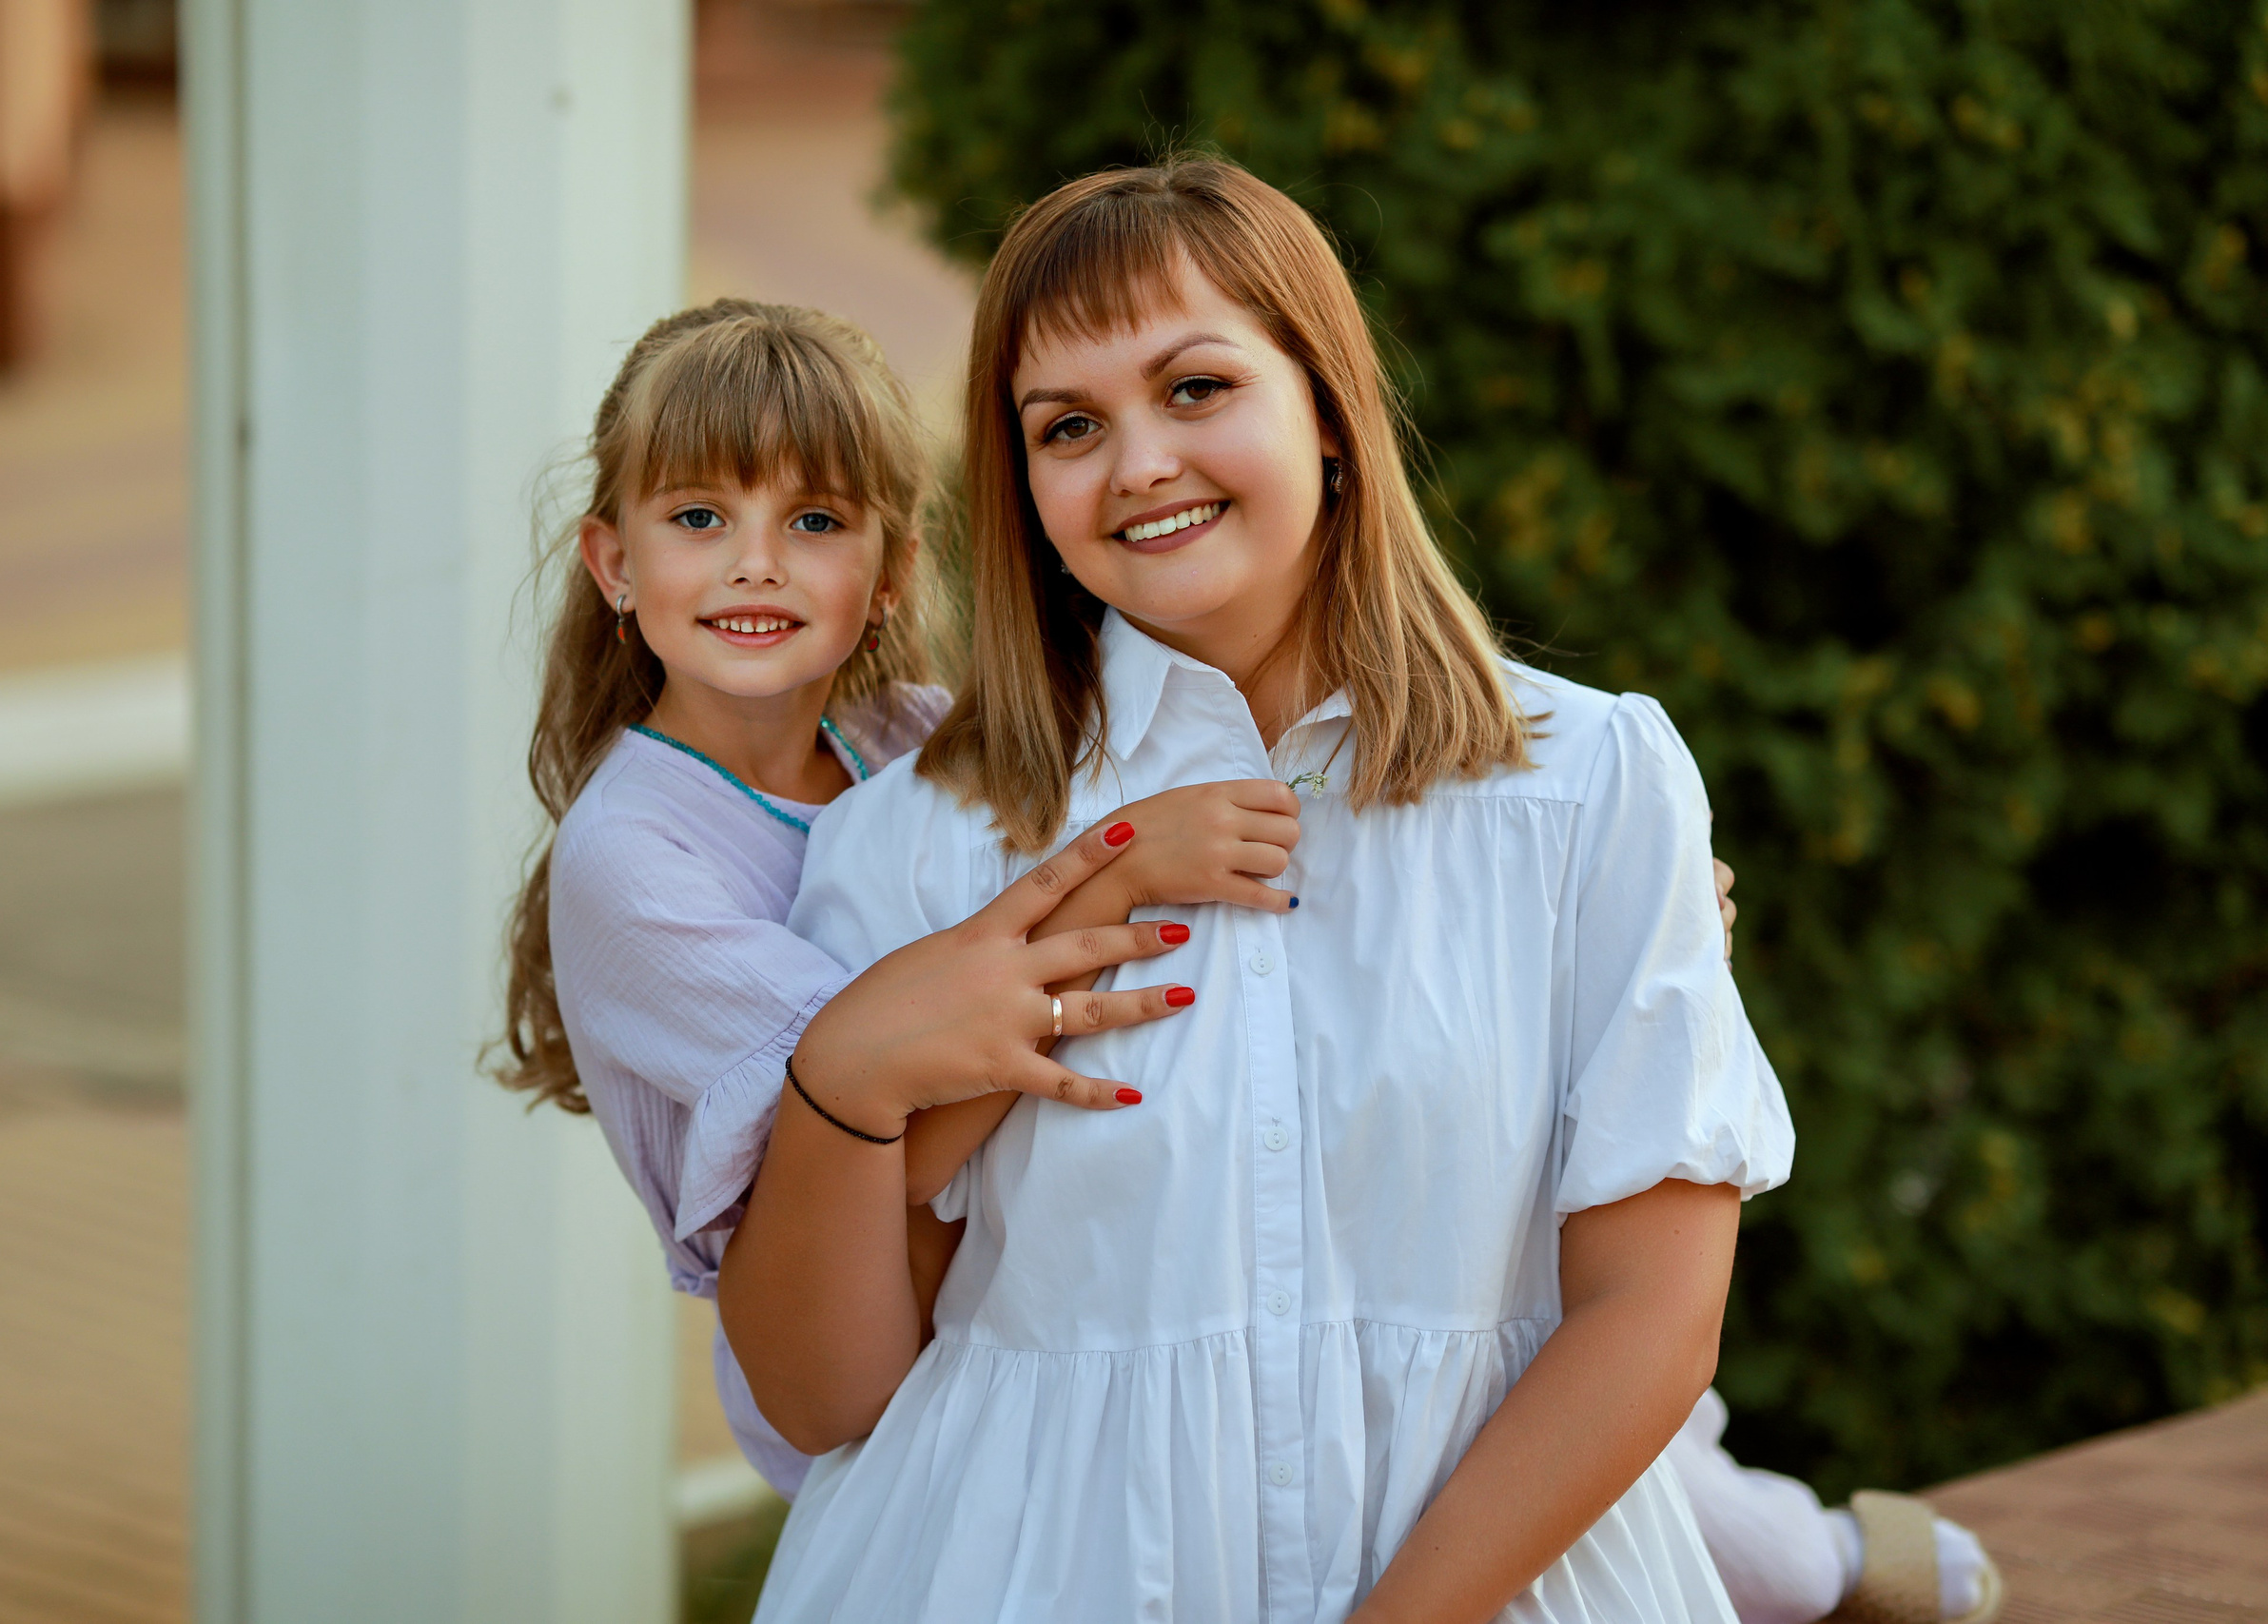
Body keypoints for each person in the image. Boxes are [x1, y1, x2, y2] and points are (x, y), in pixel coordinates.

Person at [714, 159, 1996, 1624]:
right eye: (1068, 425)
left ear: (1326, 408)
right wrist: (840, 1084)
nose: (1136, 461)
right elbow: (828, 1398)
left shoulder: (1589, 785)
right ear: (1028, 493)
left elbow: (1652, 1319)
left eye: (1195, 387)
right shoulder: (912, 839)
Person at [495, 296, 1306, 1496]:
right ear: (615, 563)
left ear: (889, 573)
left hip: (1028, 1300)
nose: (755, 563)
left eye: (814, 519)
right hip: (873, 1373)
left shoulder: (909, 738)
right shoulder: (634, 859)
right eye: (699, 517)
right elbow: (885, 1115)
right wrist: (1121, 872)